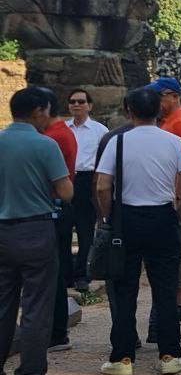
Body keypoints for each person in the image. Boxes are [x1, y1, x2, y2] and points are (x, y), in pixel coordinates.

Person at [95, 86, 181, 375]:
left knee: (124, 289)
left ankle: (123, 356)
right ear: (159, 110)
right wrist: (178, 214)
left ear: (129, 111)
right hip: (163, 216)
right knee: (165, 289)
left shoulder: (119, 141)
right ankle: (169, 354)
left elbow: (102, 185)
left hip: (126, 218)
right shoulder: (172, 141)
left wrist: (107, 217)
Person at [0, 87, 72, 375]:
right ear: (38, 112)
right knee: (36, 306)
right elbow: (66, 191)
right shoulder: (45, 145)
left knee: (3, 305)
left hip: (2, 231)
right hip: (35, 229)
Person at [151, 77, 181, 326]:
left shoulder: (178, 122)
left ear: (172, 96)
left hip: (175, 197)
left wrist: (178, 203)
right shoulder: (169, 121)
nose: (156, 102)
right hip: (172, 195)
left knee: (175, 252)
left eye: (159, 97)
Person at [39, 91, 77, 352]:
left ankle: (56, 331)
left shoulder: (52, 138)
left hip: (53, 207)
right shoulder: (60, 132)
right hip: (58, 207)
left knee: (50, 273)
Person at [65, 87, 107, 291]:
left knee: (85, 230)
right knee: (62, 229)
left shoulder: (100, 131)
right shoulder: (64, 129)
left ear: (89, 106)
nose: (76, 105)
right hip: (65, 179)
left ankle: (82, 273)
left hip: (87, 180)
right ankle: (65, 274)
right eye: (72, 101)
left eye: (81, 102)